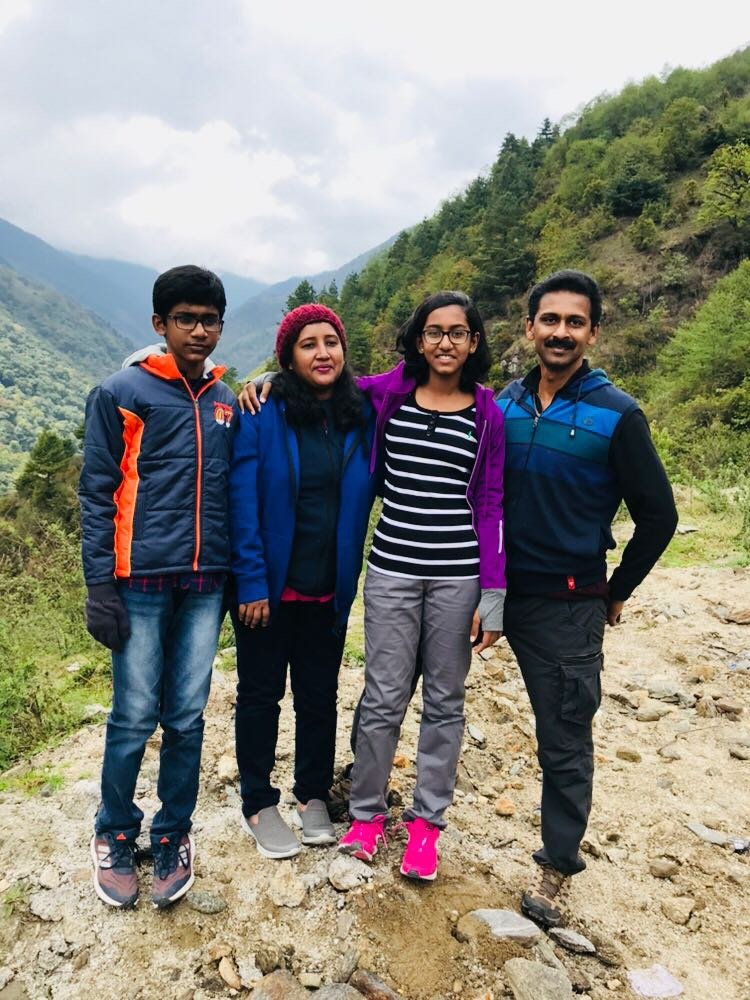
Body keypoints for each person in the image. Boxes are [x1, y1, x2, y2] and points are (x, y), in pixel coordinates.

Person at [497, 269, 678, 927]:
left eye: (575, 322)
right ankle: (365, 800)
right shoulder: (504, 404)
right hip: (489, 589)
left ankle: (557, 865)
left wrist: (616, 590)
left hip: (566, 602)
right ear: (530, 328)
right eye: (550, 320)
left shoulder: (618, 414)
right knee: (405, 681)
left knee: (564, 733)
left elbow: (658, 515)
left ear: (593, 332)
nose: (561, 333)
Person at [79, 265, 237, 909]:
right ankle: (115, 831)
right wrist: (99, 586)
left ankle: (172, 832)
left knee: (187, 716)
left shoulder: (227, 401)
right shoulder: (122, 393)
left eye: (209, 320)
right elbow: (96, 493)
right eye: (185, 319)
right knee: (134, 715)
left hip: (205, 583)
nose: (199, 331)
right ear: (159, 325)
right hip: (138, 581)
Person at [336, 291, 506, 882]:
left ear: (474, 342)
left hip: (457, 575)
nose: (445, 343)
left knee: (444, 701)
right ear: (417, 338)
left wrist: (494, 589)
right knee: (382, 696)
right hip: (390, 570)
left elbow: (489, 502)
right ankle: (365, 815)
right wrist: (266, 385)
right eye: (434, 332)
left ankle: (426, 826)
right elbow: (324, 382)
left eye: (458, 332)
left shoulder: (487, 413)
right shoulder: (389, 394)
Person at [229, 304, 376, 859]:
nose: (322, 353)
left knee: (319, 697)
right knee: (261, 695)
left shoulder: (359, 415)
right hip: (266, 589)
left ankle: (312, 794)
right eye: (308, 343)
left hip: (329, 588)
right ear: (288, 356)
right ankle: (258, 802)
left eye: (331, 342)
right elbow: (241, 499)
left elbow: (415, 375)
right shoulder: (263, 412)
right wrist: (249, 581)